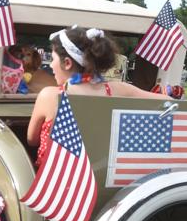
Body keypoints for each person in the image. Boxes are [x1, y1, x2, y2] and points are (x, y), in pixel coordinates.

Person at [27, 27, 169, 166]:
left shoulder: (49, 96)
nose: (51, 65)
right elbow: (169, 102)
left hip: (56, 175)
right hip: (100, 172)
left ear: (67, 63)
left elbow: (31, 140)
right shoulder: (118, 89)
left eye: (53, 59)